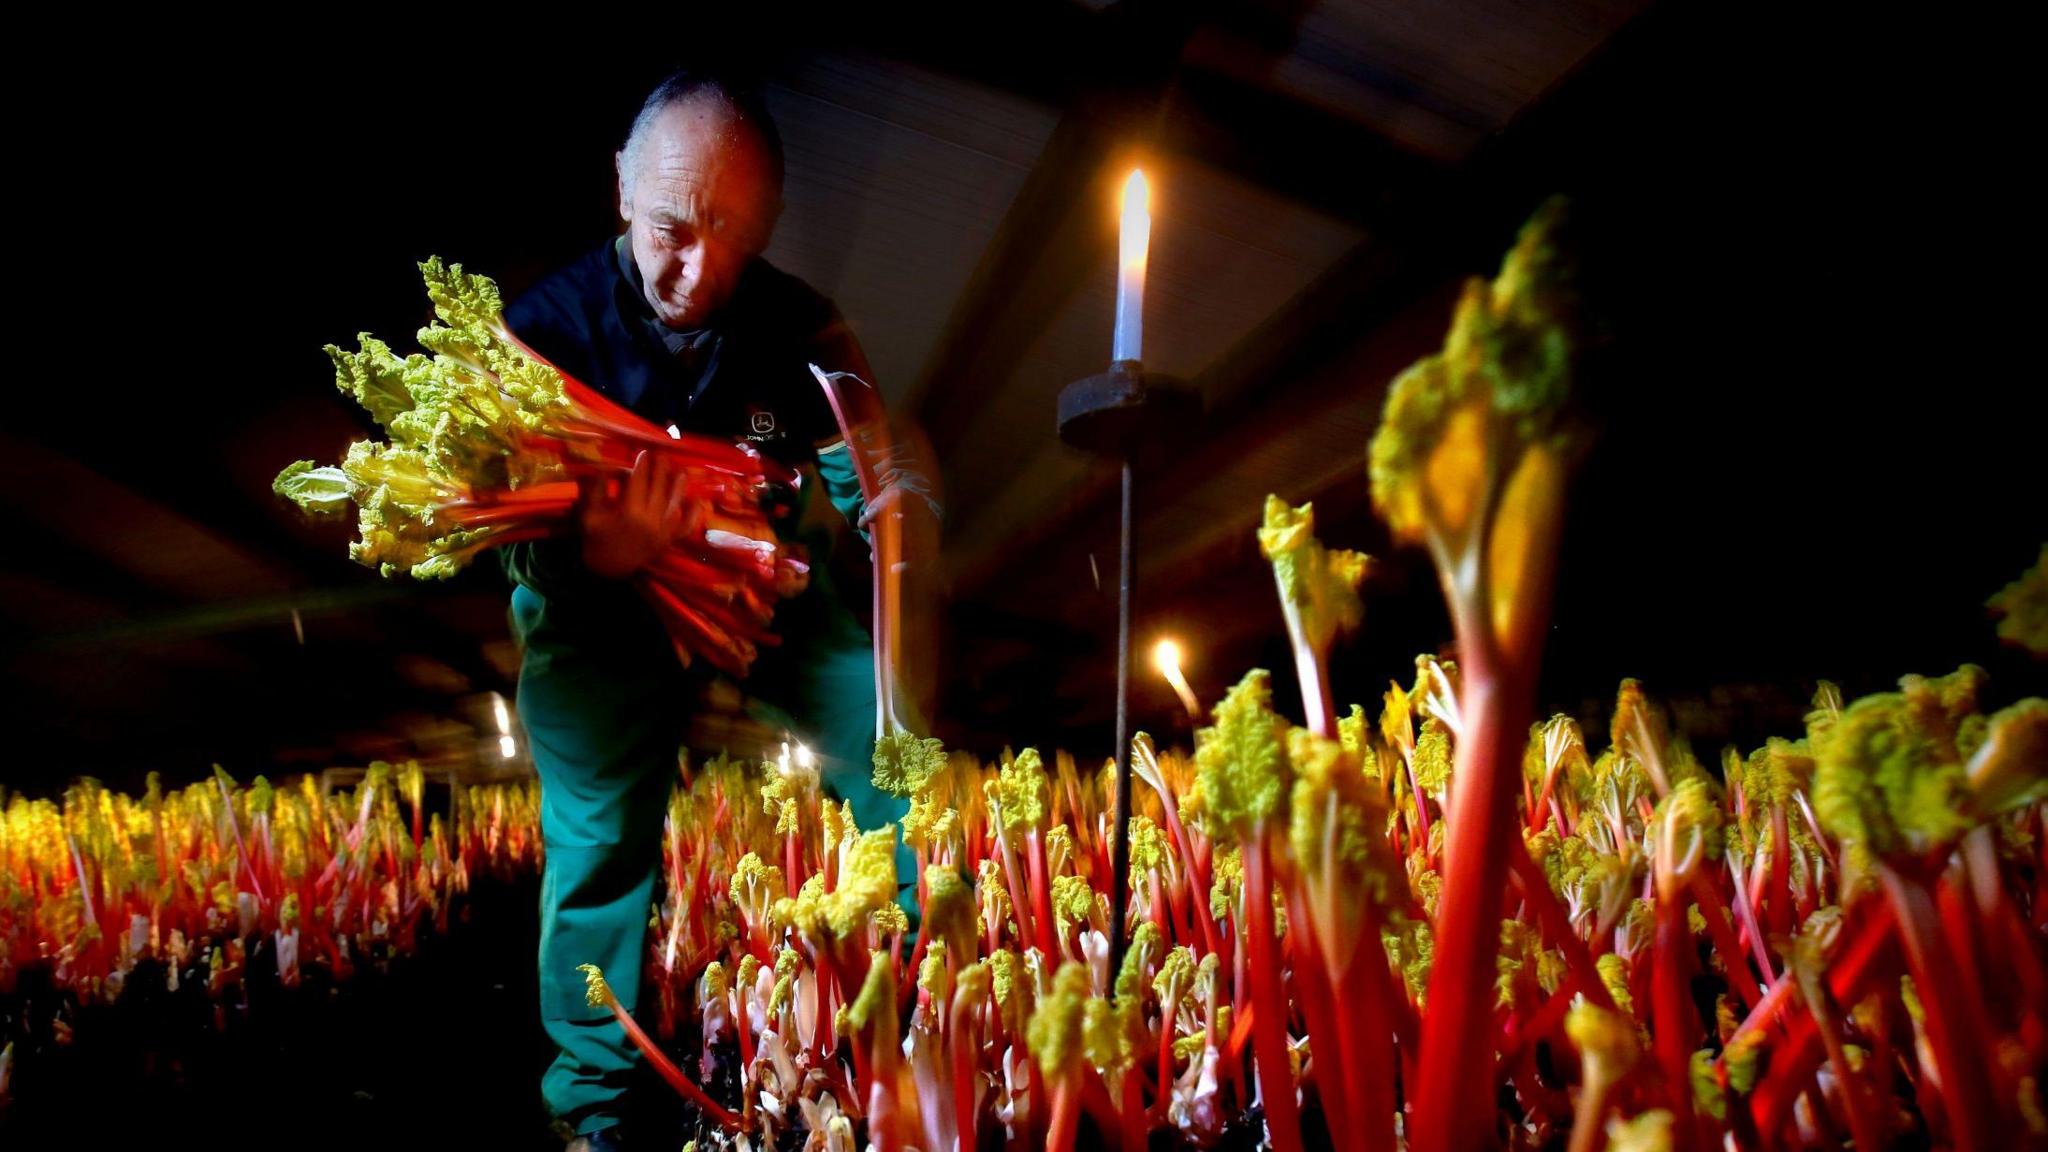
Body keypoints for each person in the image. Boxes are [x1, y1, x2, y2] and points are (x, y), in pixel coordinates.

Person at [498, 70, 937, 1151]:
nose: (692, 268)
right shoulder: (538, 336)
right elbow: (511, 523)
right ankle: (592, 1112)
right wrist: (588, 554)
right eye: (668, 227)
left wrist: (900, 513)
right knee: (597, 846)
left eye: (727, 235)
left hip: (755, 582)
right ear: (619, 191)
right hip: (593, 613)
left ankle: (933, 1000)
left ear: (767, 227)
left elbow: (874, 476)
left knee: (892, 737)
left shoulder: (804, 331)